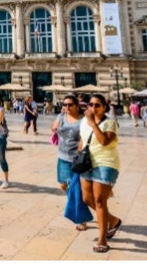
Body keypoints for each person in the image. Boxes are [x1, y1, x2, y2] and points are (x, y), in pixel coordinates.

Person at [78, 94, 122, 253]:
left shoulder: (110, 123)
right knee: (87, 198)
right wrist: (79, 153)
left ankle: (102, 240)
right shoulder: (83, 121)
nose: (93, 108)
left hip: (105, 164)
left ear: (104, 107)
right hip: (87, 164)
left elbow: (104, 141)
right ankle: (113, 220)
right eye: (91, 104)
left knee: (99, 201)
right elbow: (82, 140)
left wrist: (92, 122)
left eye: (97, 105)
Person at [53, 94, 84, 228]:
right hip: (62, 157)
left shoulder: (83, 120)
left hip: (77, 158)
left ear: (77, 106)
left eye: (70, 105)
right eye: (64, 105)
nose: (67, 107)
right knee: (63, 185)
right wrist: (58, 120)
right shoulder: (61, 117)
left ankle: (81, 218)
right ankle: (75, 202)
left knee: (76, 188)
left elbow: (86, 135)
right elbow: (53, 128)